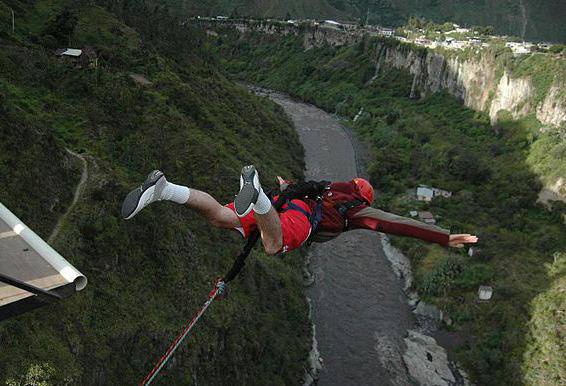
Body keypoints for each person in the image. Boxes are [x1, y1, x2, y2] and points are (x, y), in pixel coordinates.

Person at [121, 166, 478, 257]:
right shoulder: (352, 209)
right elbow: (395, 224)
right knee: (273, 245)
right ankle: (257, 194)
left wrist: (276, 190)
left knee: (220, 216)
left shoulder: (322, 188)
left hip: (283, 202)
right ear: (363, 199)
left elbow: (289, 185)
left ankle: (165, 189)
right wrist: (444, 237)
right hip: (294, 218)